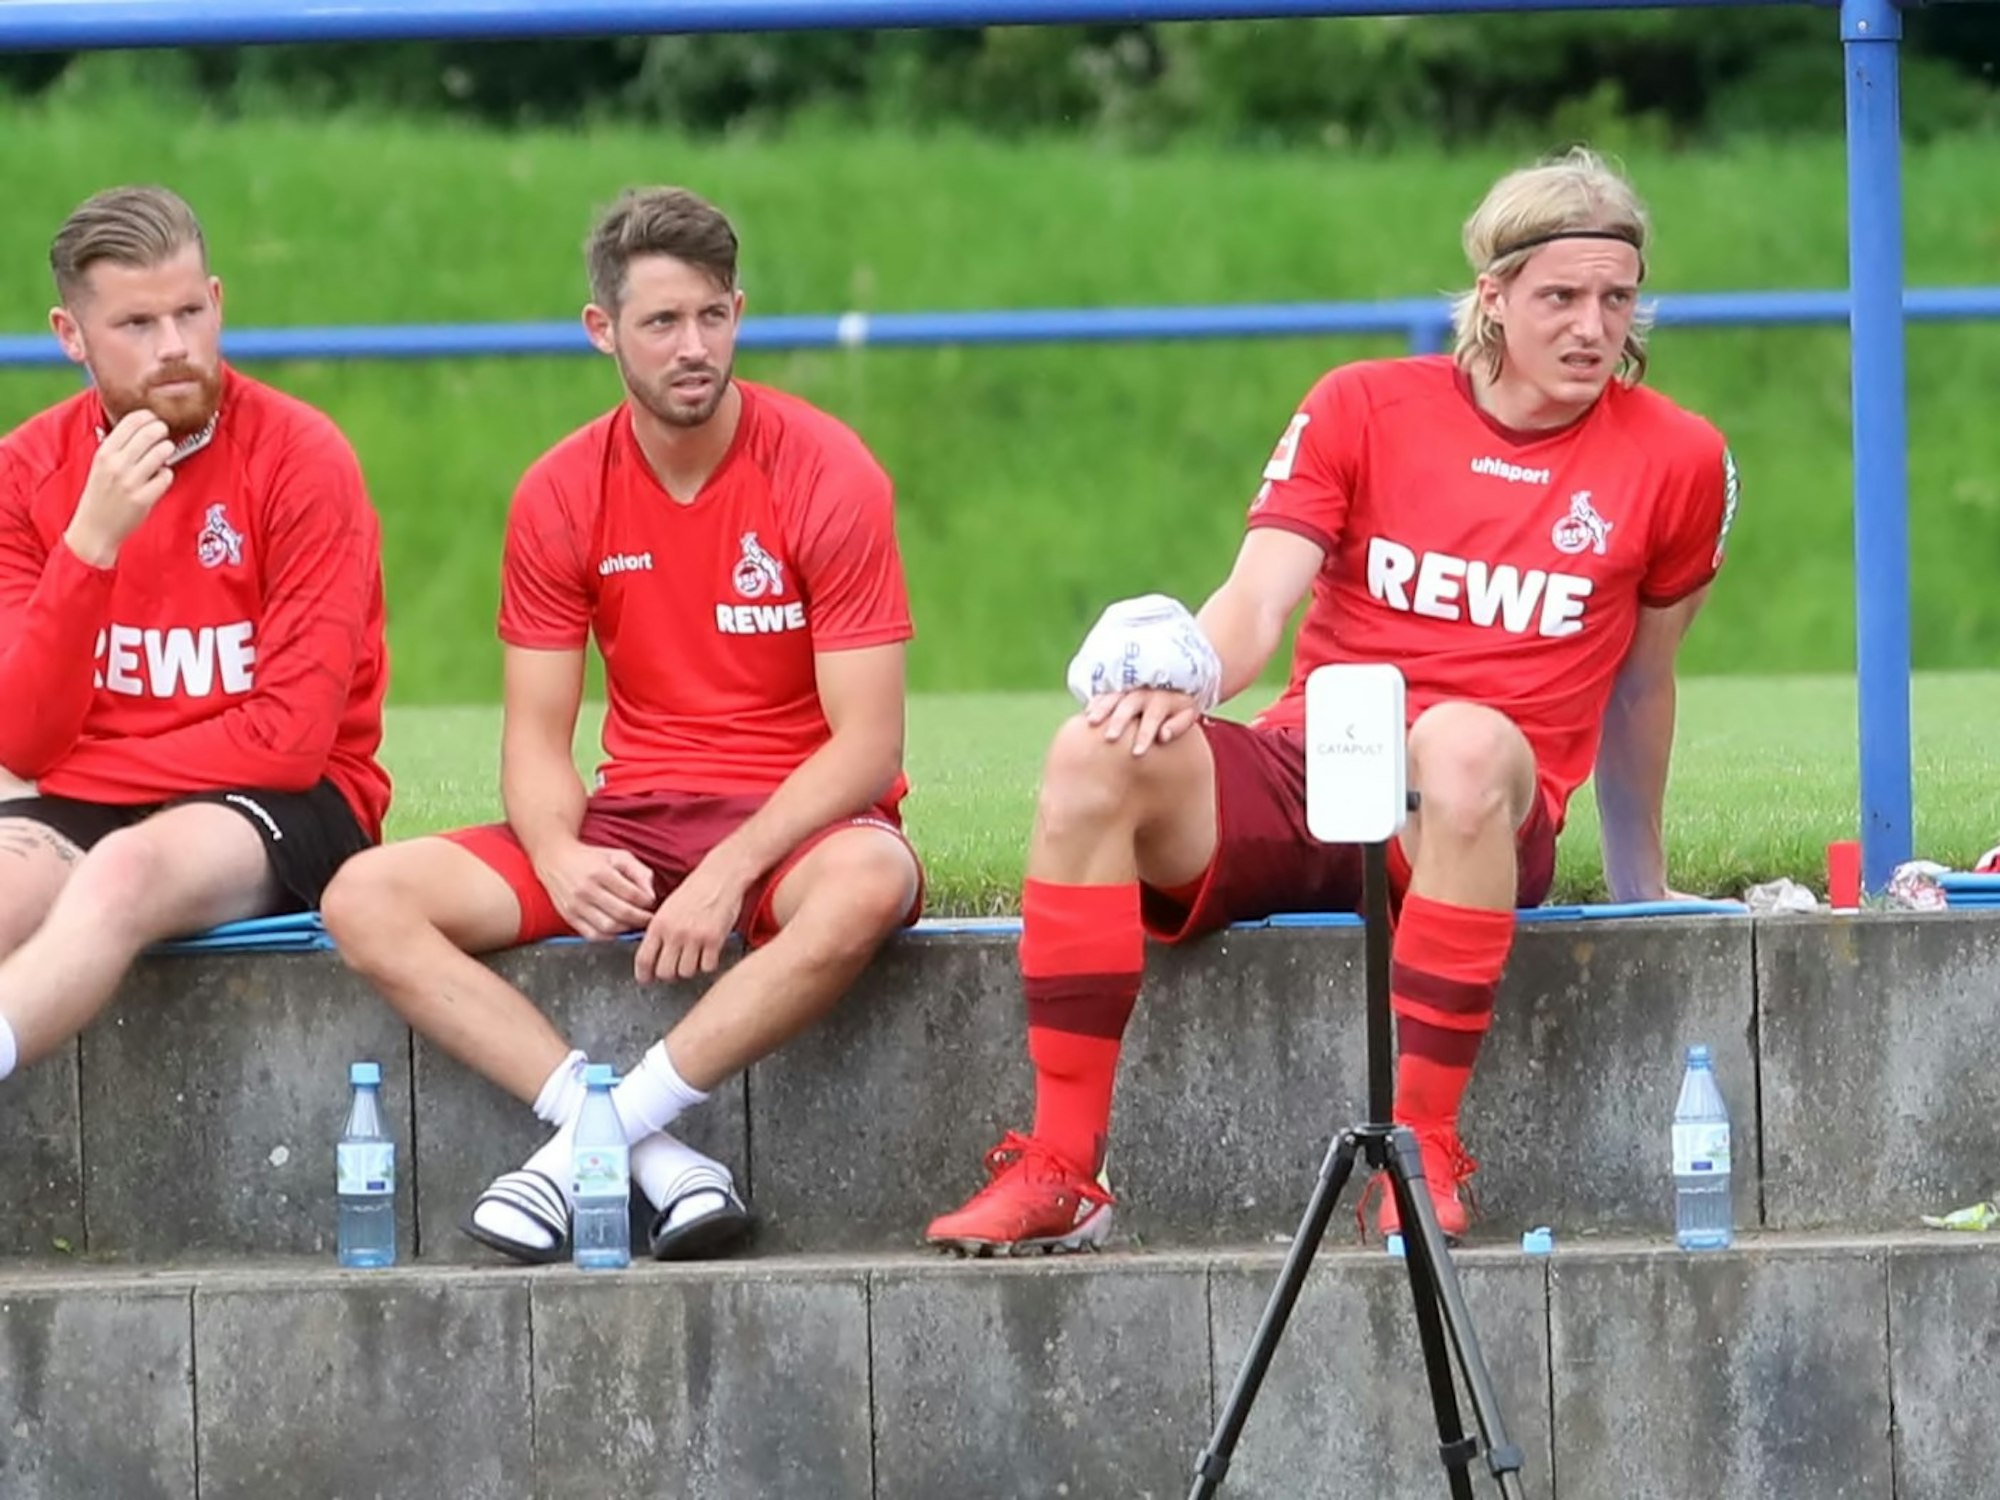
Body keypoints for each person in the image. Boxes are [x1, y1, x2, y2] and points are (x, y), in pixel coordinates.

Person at [925, 147, 1739, 1255]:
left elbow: (1644, 682)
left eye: (1614, 297)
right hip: (1316, 768)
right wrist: (1181, 676)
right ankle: (1064, 1168)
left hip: (1475, 806)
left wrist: (1639, 878)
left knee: (1454, 742)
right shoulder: (1364, 403)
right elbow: (1256, 601)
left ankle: (1419, 1156)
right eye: (1558, 297)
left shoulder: (1677, 457)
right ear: (1492, 298)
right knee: (1089, 752)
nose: (1591, 327)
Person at [322, 186, 923, 1263]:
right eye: (660, 323)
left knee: (871, 884)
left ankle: (591, 1142)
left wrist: (735, 867)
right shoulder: (559, 491)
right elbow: (534, 738)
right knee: (365, 896)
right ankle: (647, 1154)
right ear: (603, 330)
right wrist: (557, 849)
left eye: (711, 317)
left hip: (793, 834)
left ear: (737, 311)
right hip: (638, 822)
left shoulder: (829, 472)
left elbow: (868, 747)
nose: (693, 348)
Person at [0, 186, 390, 1088]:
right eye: (136, 323)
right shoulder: (26, 475)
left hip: (293, 800)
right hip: (104, 788)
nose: (174, 346)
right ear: (71, 335)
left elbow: (288, 743)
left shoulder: (302, 457)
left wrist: (51, 777)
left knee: (126, 872)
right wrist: (89, 547)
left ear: (217, 303)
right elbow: (23, 731)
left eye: (188, 312)